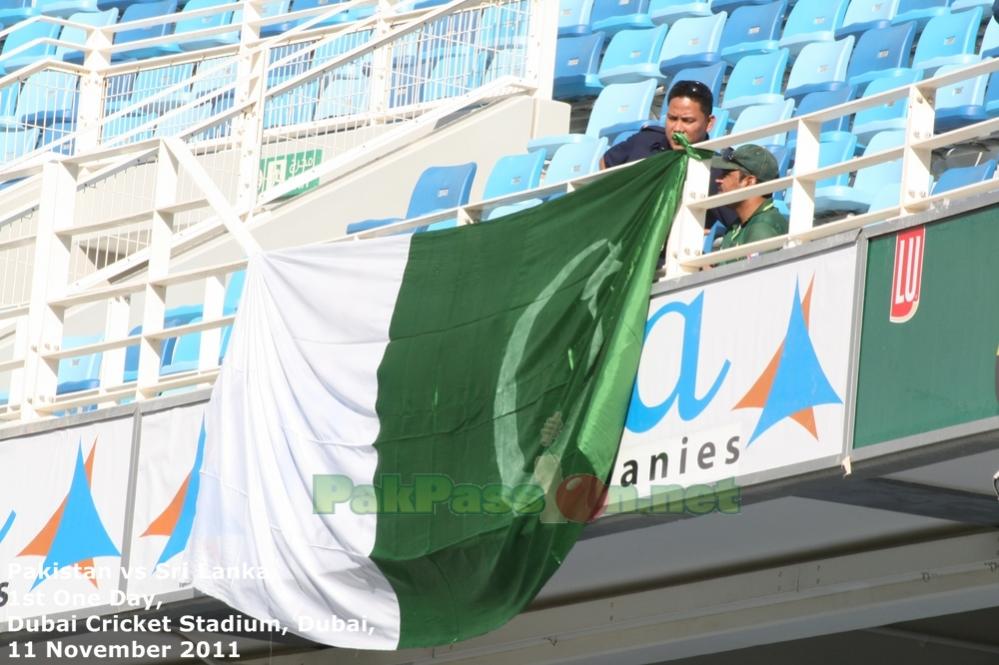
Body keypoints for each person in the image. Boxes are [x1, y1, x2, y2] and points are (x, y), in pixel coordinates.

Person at [600, 79, 739, 230]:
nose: (677, 128)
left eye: (687, 121)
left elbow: (739, 223)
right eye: (672, 118)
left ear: (709, 123)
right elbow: (606, 162)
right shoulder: (645, 140)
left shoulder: (716, 171)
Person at [712, 145, 788, 251]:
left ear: (749, 181)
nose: (718, 180)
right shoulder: (739, 225)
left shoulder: (763, 227)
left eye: (725, 175)